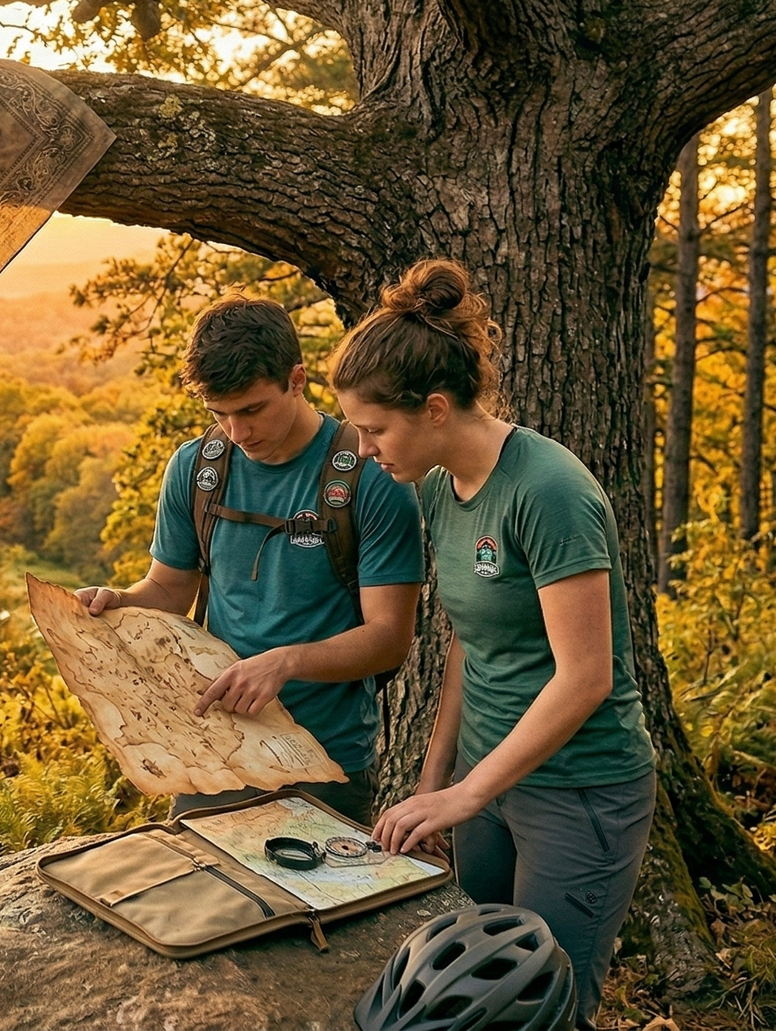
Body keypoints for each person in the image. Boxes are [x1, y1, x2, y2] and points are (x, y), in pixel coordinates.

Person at [334, 260, 655, 1030]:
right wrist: (439, 784)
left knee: (546, 1004)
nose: (365, 449)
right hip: (487, 781)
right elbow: (468, 645)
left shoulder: (549, 492)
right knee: (468, 997)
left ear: (435, 408)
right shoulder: (440, 486)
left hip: (580, 790)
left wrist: (468, 793)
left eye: (375, 429)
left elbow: (585, 680)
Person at [77, 295, 424, 823]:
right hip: (212, 750)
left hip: (323, 762)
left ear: (296, 378)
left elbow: (389, 636)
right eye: (219, 414)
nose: (238, 434)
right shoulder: (197, 469)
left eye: (252, 410)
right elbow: (169, 591)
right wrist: (117, 603)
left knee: (316, 905)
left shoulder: (369, 477)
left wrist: (286, 662)